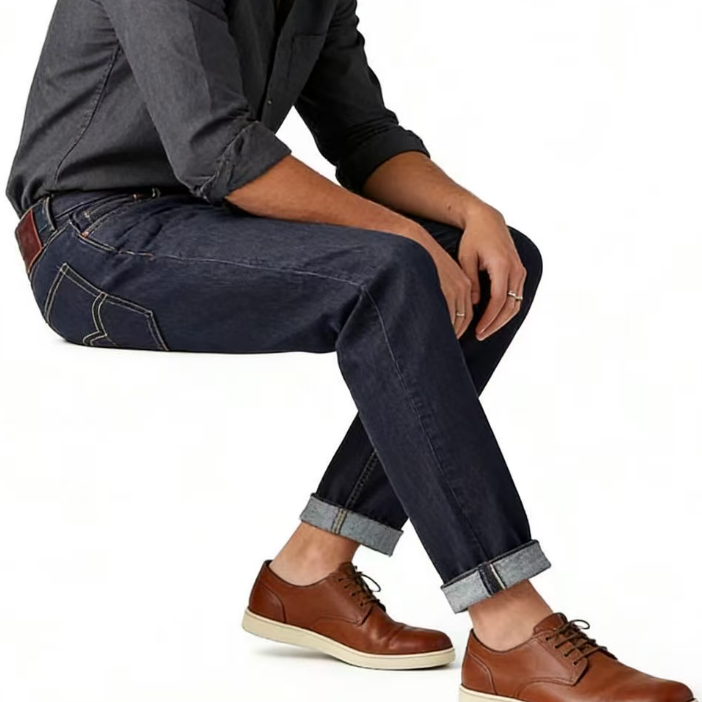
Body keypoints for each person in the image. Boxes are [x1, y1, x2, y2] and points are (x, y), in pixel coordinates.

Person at [6, 1, 696, 700]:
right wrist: (408, 237)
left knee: (495, 262)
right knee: (394, 270)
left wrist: (472, 214)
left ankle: (311, 568)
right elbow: (218, 153)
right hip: (89, 242)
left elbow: (364, 138)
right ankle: (508, 621)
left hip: (204, 219)